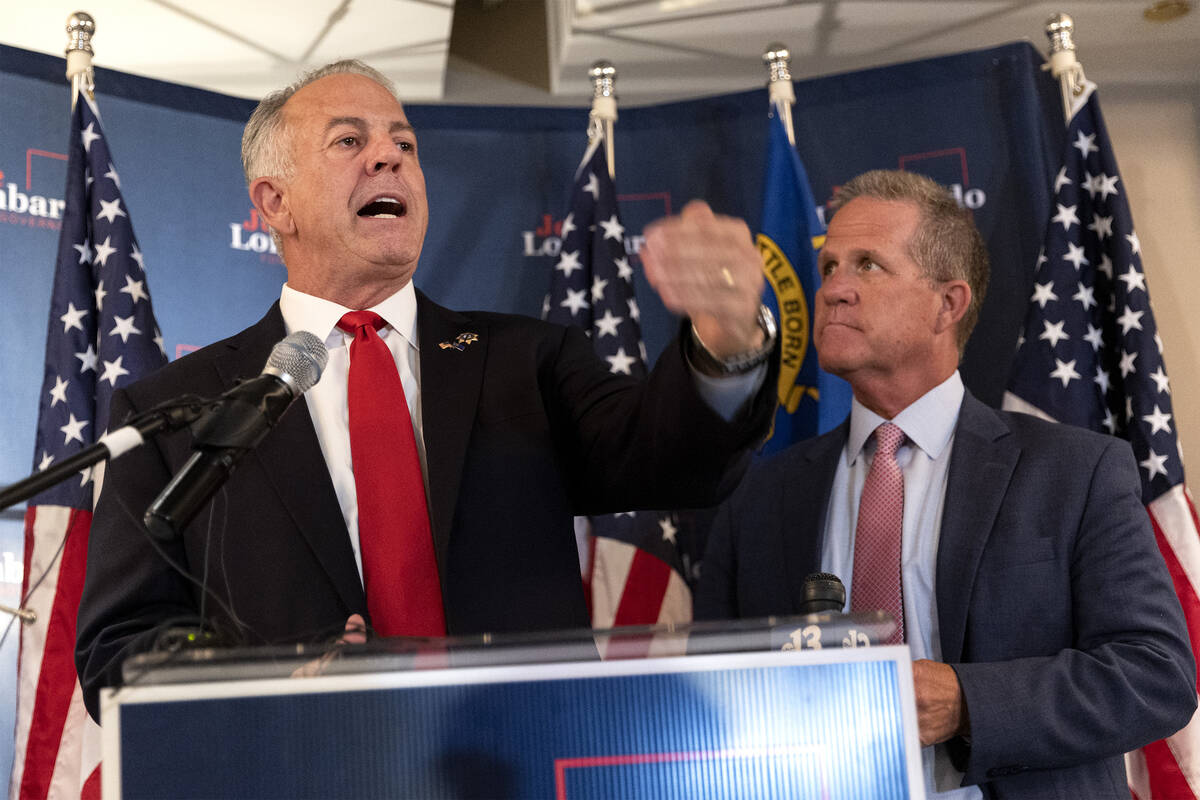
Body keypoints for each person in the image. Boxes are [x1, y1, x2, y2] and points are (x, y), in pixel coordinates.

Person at [75, 60, 779, 721]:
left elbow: (671, 459)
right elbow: (117, 653)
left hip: (518, 763)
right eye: (349, 140)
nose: (389, 158)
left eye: (404, 144)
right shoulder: (176, 413)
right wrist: (262, 685)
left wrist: (727, 343)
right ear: (275, 203)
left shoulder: (526, 360)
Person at [694, 169, 1195, 798]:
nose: (834, 290)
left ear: (947, 304)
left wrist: (965, 701)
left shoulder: (1075, 472)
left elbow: (1156, 675)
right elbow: (708, 696)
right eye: (829, 268)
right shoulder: (759, 498)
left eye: (868, 265)